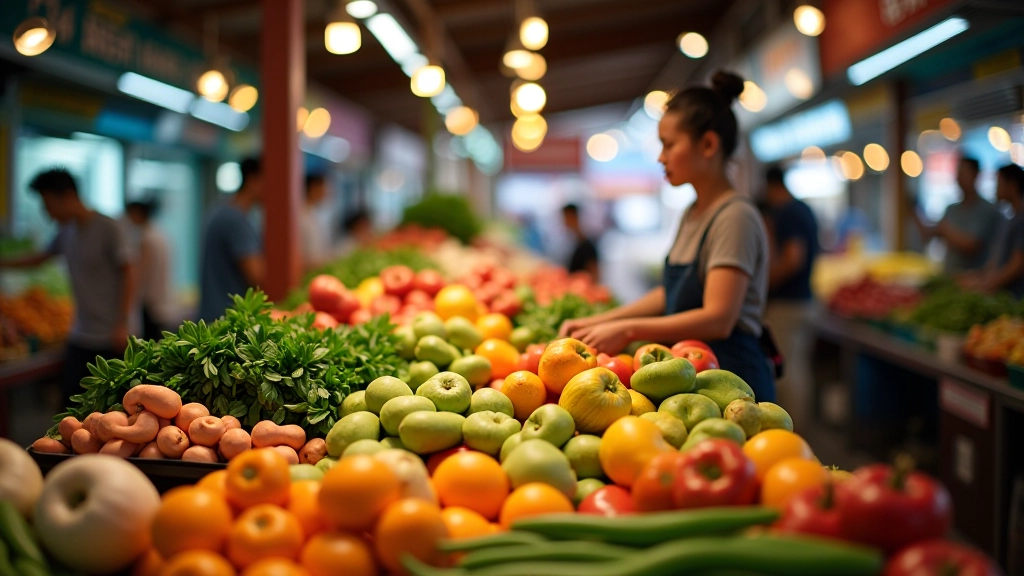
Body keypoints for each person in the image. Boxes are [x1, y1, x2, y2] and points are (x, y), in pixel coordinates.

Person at [560, 71, 775, 401]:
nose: (661, 157)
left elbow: (718, 318)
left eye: (669, 145)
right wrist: (600, 320)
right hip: (695, 371)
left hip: (731, 381)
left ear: (708, 144)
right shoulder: (694, 212)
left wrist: (629, 329)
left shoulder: (735, 217)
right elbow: (669, 294)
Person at [0, 168, 136, 406]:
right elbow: (40, 258)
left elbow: (129, 273)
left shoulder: (109, 227)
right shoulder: (66, 232)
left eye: (47, 203)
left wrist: (123, 322)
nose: (46, 212)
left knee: (113, 407)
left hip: (112, 336)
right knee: (71, 405)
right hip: (81, 333)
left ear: (67, 196)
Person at [762, 165, 820, 426]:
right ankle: (797, 427)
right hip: (805, 300)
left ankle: (792, 429)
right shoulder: (804, 209)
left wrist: (764, 283)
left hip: (788, 304)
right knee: (799, 367)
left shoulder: (787, 212)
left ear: (770, 187)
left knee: (788, 372)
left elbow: (793, 260)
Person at [199, 157, 265, 321]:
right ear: (253, 180)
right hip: (226, 320)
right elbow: (257, 275)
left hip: (215, 316)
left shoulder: (223, 210)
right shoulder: (235, 219)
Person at [914, 156, 1001, 274]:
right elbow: (929, 234)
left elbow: (971, 246)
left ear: (976, 175)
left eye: (963, 172)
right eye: (958, 173)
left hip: (974, 280)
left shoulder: (987, 209)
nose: (959, 177)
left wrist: (945, 230)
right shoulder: (951, 209)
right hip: (949, 275)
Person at [965, 164, 1024, 297]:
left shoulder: (1021, 219)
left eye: (999, 183)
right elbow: (998, 262)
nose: (995, 189)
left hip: (1016, 298)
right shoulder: (1010, 218)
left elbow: (1017, 265)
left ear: (1012, 186)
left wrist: (984, 285)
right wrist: (979, 277)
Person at [125, 199, 173, 341]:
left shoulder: (146, 238)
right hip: (163, 301)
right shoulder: (160, 234)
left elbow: (139, 274)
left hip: (151, 305)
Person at [301, 174, 331, 272]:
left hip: (317, 269)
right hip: (305, 271)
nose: (326, 192)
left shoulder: (315, 213)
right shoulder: (300, 215)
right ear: (313, 188)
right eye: (323, 187)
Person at [563, 204, 599, 278]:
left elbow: (594, 274)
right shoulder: (576, 242)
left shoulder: (587, 246)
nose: (564, 222)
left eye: (566, 218)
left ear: (573, 217)